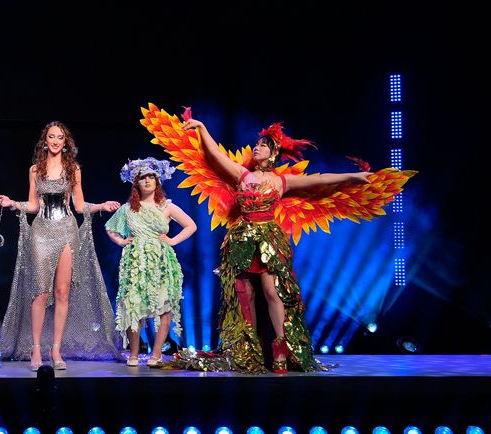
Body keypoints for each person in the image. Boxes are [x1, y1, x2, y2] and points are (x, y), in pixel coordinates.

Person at [140, 104, 415, 373]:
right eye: (256, 144)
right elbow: (213, 155)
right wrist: (202, 127)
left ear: (272, 154)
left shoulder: (282, 182)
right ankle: (247, 350)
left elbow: (320, 180)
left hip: (269, 239)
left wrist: (353, 176)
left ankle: (281, 347)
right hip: (242, 239)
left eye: (262, 145)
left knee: (272, 291)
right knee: (242, 293)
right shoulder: (242, 175)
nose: (256, 148)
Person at [0, 121, 122, 370]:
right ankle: (35, 349)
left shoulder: (73, 169)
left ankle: (55, 350)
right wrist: (12, 203)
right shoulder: (35, 170)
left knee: (62, 293)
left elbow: (78, 205)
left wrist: (99, 207)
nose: (55, 141)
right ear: (45, 140)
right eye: (51, 137)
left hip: (66, 230)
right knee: (40, 293)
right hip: (41, 232)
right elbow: (33, 206)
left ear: (66, 143)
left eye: (60, 138)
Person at [105, 157, 196, 367]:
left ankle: (156, 355)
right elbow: (110, 227)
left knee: (164, 306)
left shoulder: (167, 207)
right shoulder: (128, 209)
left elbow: (191, 226)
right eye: (143, 177)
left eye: (151, 177)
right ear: (136, 183)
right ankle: (135, 354)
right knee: (133, 305)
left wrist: (172, 241)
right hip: (136, 262)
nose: (147, 181)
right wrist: (121, 241)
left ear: (157, 181)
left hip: (162, 262)